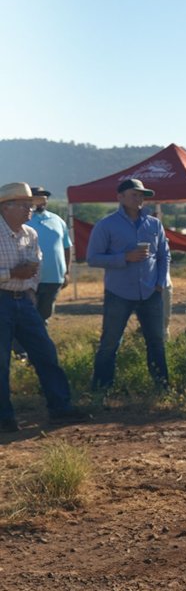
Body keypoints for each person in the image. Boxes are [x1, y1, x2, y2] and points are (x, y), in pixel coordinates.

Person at [0, 183, 86, 431]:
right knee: (1, 361)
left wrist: (29, 289)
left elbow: (37, 264)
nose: (30, 208)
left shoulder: (30, 234)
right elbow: (26, 268)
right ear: (6, 207)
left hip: (23, 301)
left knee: (46, 353)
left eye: (31, 204)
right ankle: (4, 417)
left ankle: (61, 408)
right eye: (25, 204)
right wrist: (12, 273)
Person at [87, 178, 170, 393]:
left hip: (150, 291)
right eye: (134, 194)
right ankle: (100, 390)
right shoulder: (106, 225)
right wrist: (124, 257)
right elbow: (93, 258)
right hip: (119, 293)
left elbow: (164, 255)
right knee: (110, 343)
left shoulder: (154, 224)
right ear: (120, 197)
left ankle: (162, 388)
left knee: (156, 342)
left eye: (141, 195)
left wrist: (160, 283)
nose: (139, 198)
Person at [24, 186, 69, 323]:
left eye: (44, 198)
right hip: (28, 278)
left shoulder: (57, 220)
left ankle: (40, 343)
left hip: (53, 278)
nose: (42, 201)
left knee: (44, 317)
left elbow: (67, 247)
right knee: (27, 318)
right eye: (38, 197)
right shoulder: (23, 219)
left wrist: (66, 272)